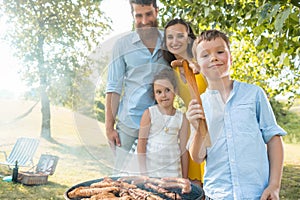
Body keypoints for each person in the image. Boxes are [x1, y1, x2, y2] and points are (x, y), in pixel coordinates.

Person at [186, 29, 287, 199]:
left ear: (230, 58)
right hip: (217, 195)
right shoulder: (198, 106)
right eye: (205, 55)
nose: (214, 58)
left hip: (255, 194)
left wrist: (274, 185)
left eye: (220, 52)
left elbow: (273, 139)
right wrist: (198, 130)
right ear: (197, 65)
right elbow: (197, 157)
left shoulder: (254, 94)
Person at [105, 0, 169, 174]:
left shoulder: (170, 41)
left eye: (148, 14)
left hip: (160, 124)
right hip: (129, 124)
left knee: (155, 176)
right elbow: (113, 88)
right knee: (120, 176)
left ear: (156, 11)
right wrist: (109, 127)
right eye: (138, 15)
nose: (144, 20)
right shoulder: (122, 45)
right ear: (132, 15)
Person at [162, 18, 207, 185]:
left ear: (189, 39)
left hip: (215, 125)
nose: (175, 42)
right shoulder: (171, 70)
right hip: (194, 128)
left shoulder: (204, 60)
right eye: (170, 37)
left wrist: (201, 67)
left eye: (180, 36)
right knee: (196, 187)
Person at [136, 68, 189, 178]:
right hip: (152, 170)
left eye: (167, 90)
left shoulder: (181, 118)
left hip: (173, 170)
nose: (163, 95)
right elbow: (141, 146)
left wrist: (184, 178)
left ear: (175, 91)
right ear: (154, 95)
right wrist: (143, 174)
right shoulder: (149, 114)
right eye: (159, 92)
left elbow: (184, 150)